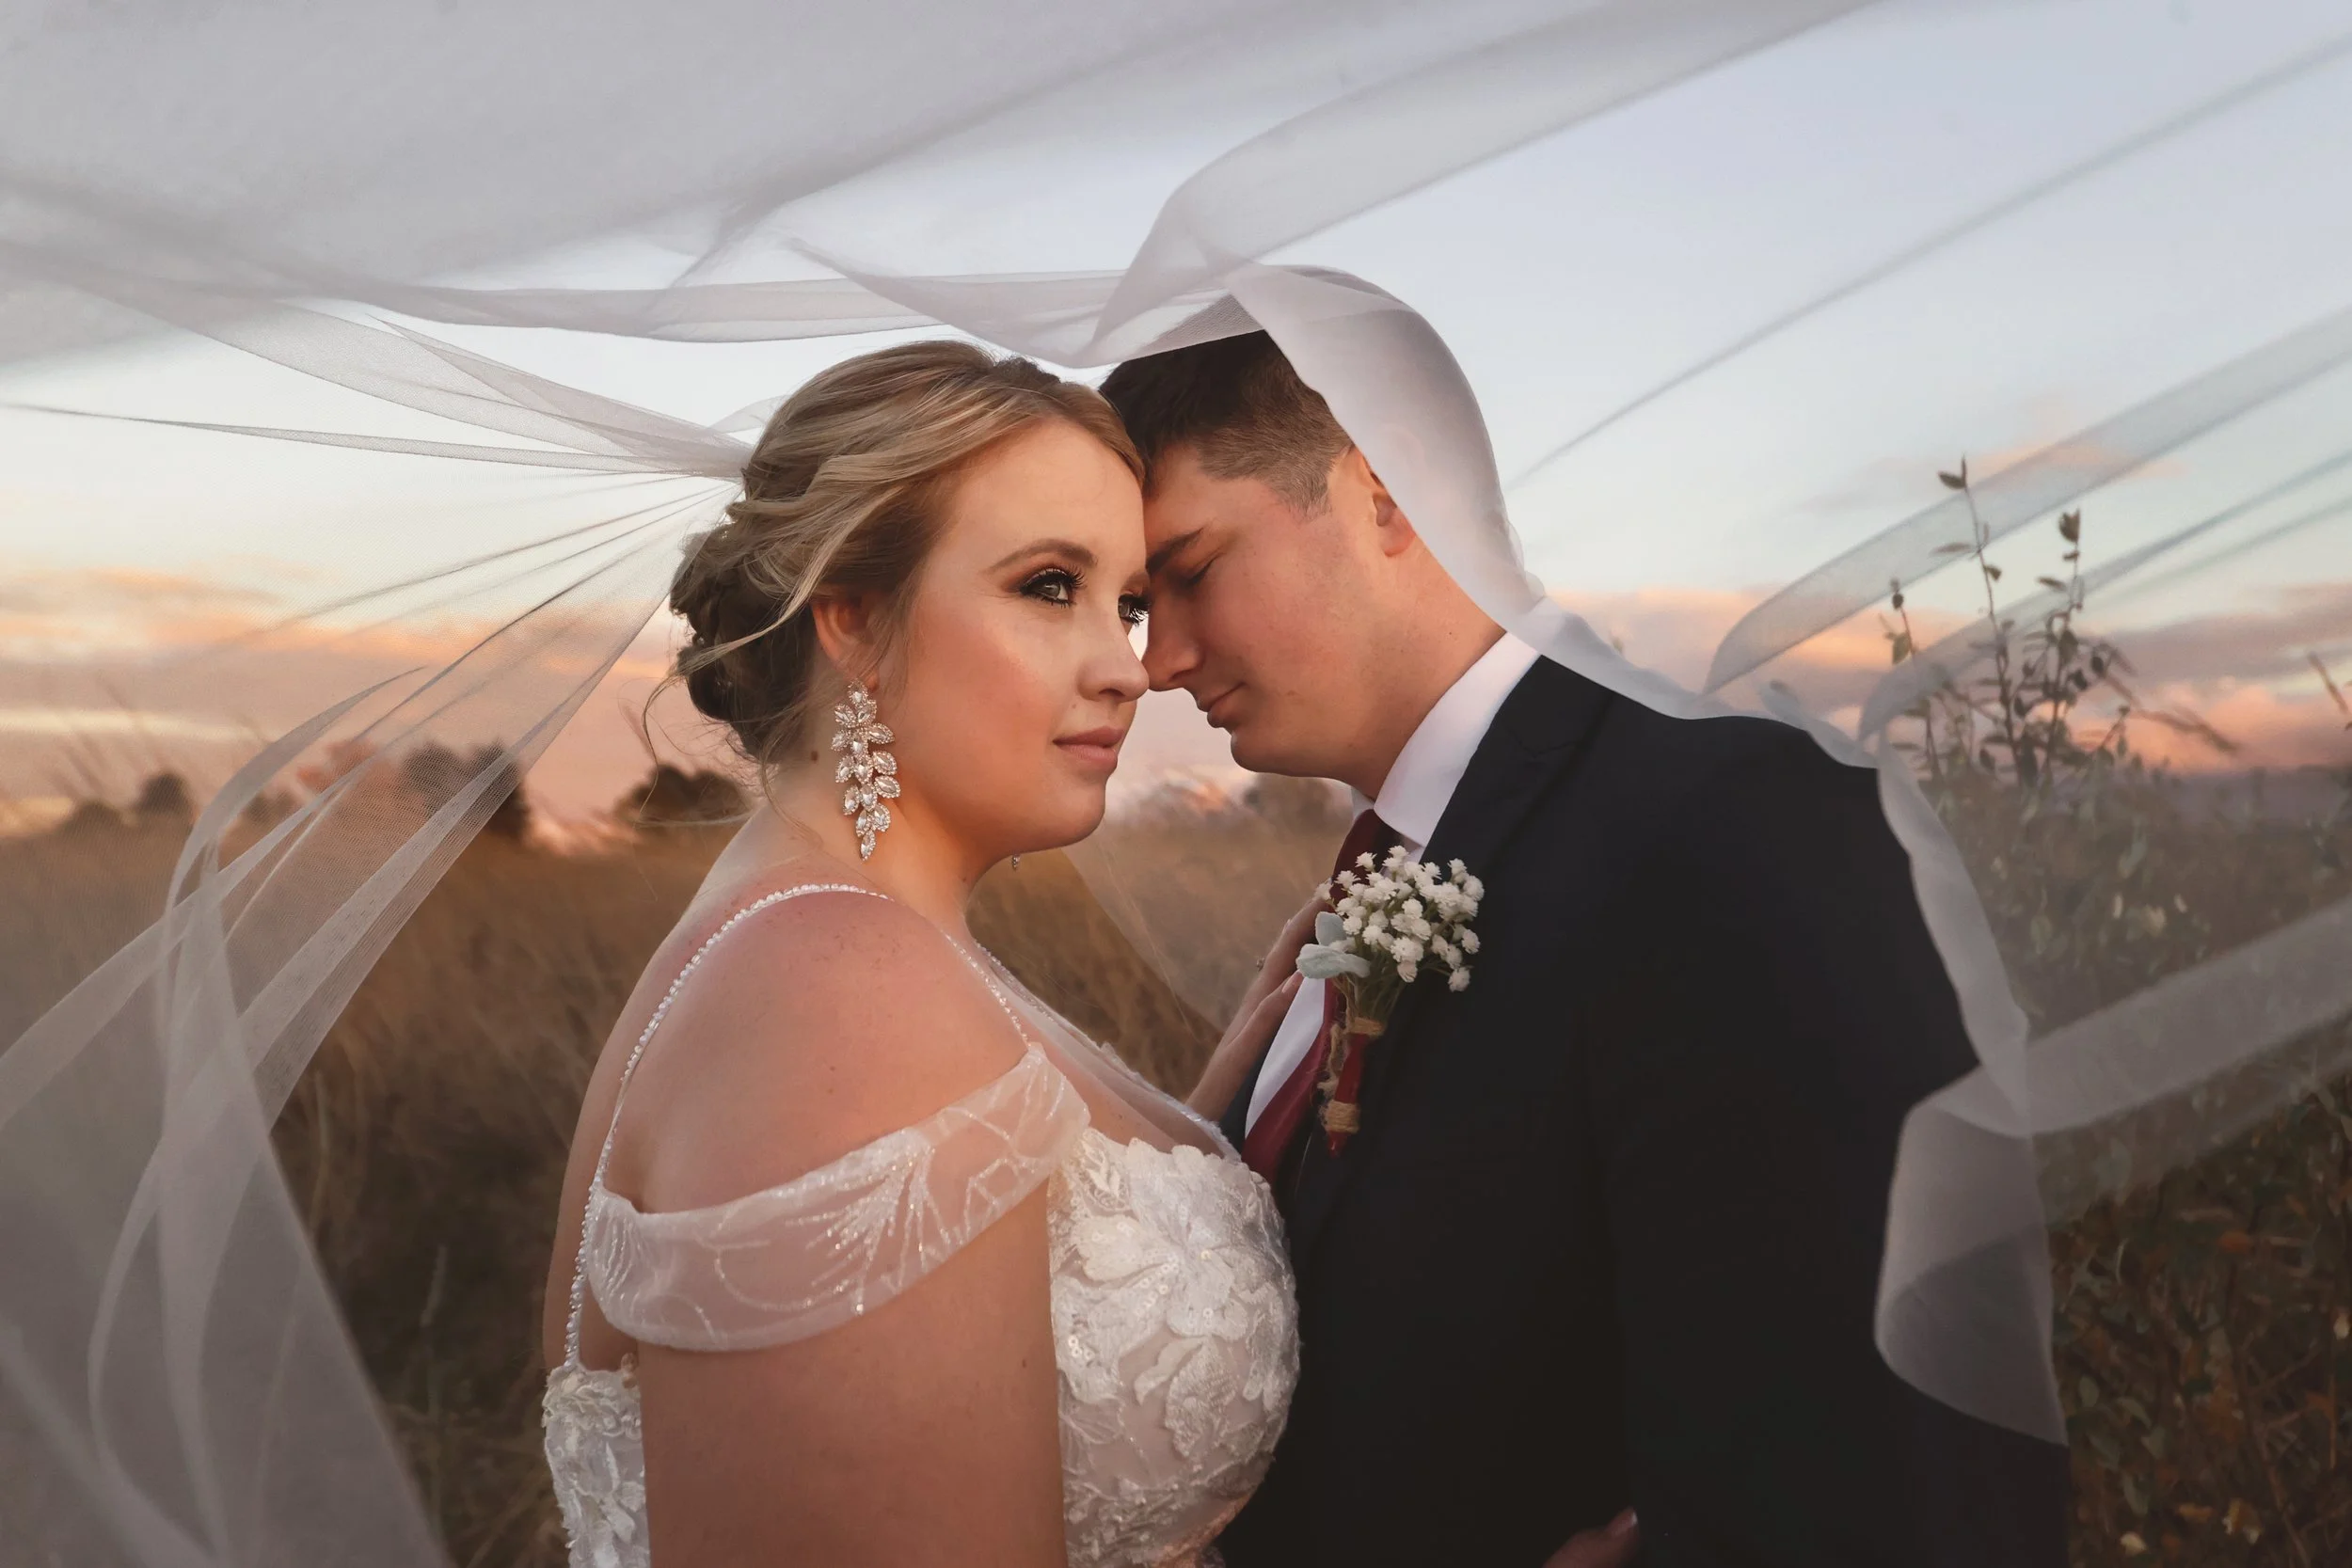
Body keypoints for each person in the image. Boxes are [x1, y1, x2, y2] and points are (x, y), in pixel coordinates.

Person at [1102, 332, 2073, 1567]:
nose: (1160, 659)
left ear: (1381, 490)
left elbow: (1880, 1453)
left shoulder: (1725, 829)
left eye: (1188, 570)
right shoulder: (1377, 880)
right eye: (1142, 604)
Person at [535, 341, 1305, 1568]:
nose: (1129, 665)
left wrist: (1189, 1135)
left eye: (1131, 601)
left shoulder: (832, 938)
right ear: (852, 617)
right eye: (1050, 585)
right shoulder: (842, 992)